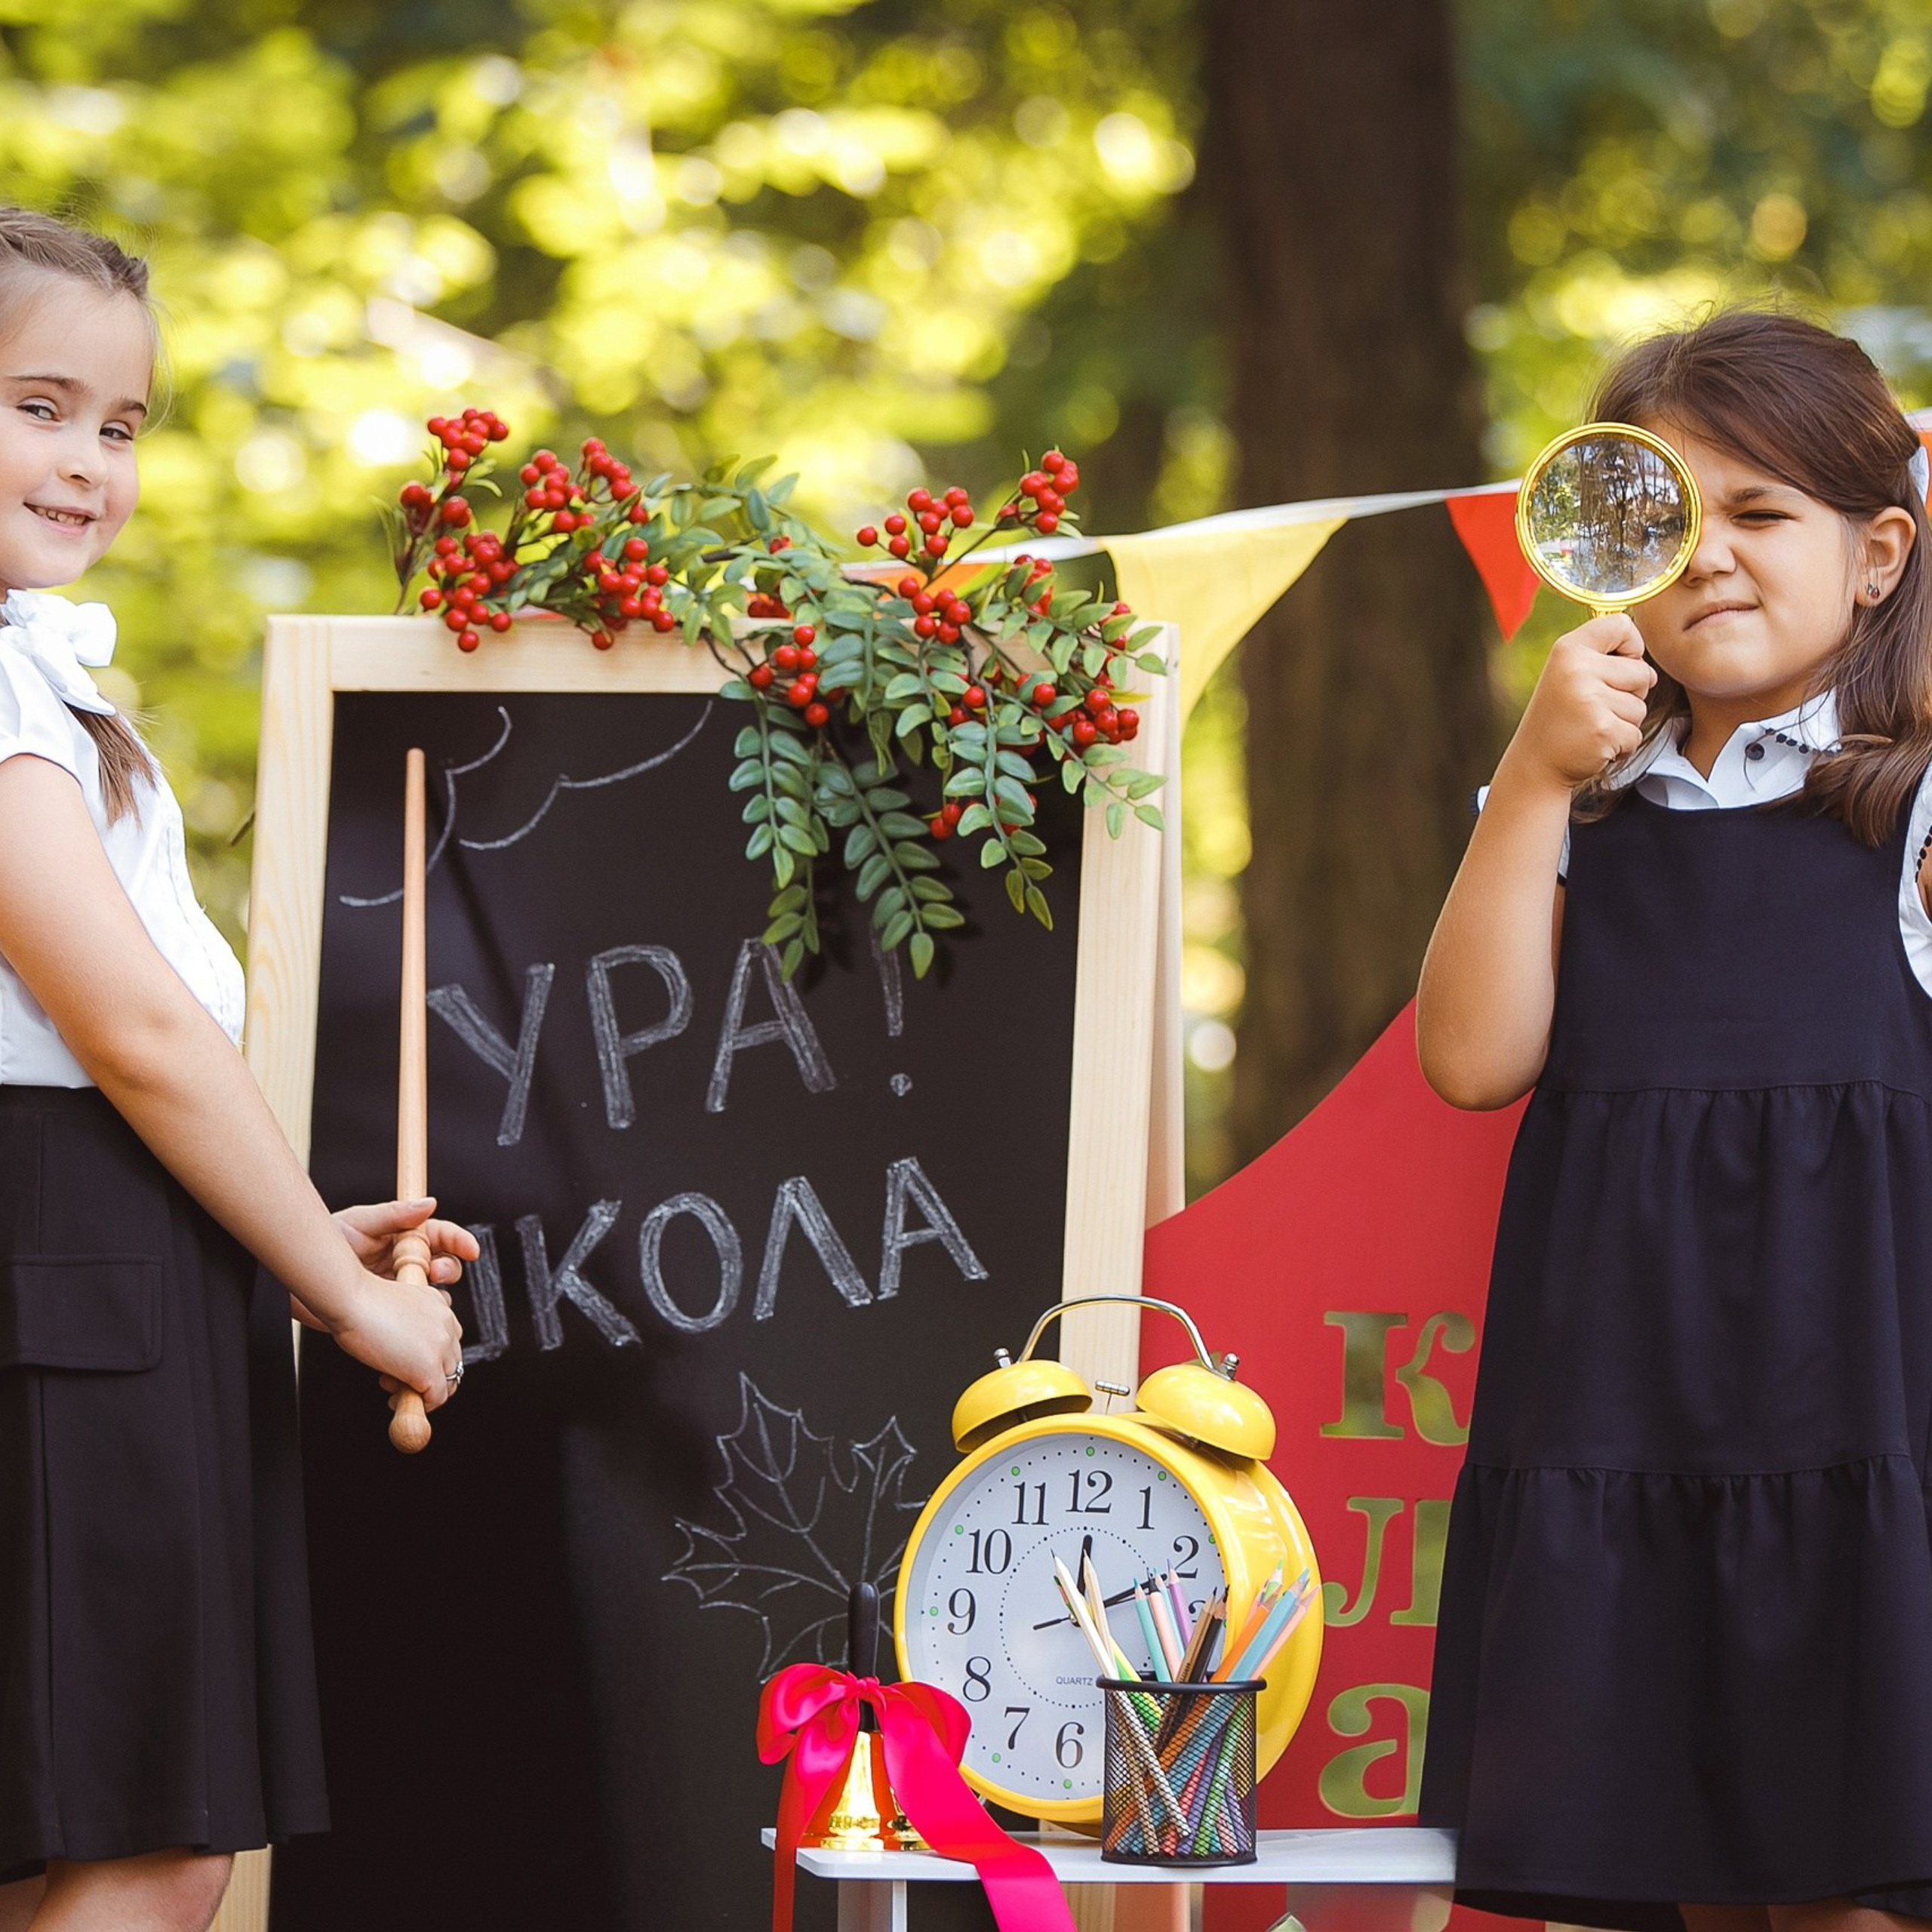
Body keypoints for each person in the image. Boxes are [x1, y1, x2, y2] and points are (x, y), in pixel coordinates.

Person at [1416, 306, 1932, 1932]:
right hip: (1622, 1429)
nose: (1709, 555)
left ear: (1878, 554)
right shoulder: (1578, 806)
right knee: (1677, 1873)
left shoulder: (1915, 799)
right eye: (1667, 517)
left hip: (1859, 1426)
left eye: (1761, 512)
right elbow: (1471, 1058)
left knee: (1852, 1881)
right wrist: (1528, 780)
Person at [0, 211, 472, 1932]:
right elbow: (125, 1030)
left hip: (108, 1284)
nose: (88, 461)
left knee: (89, 1844)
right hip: (71, 1315)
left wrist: (275, 1242)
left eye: (120, 425)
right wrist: (348, 1301)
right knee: (151, 1841)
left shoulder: (40, 676)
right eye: (39, 406)